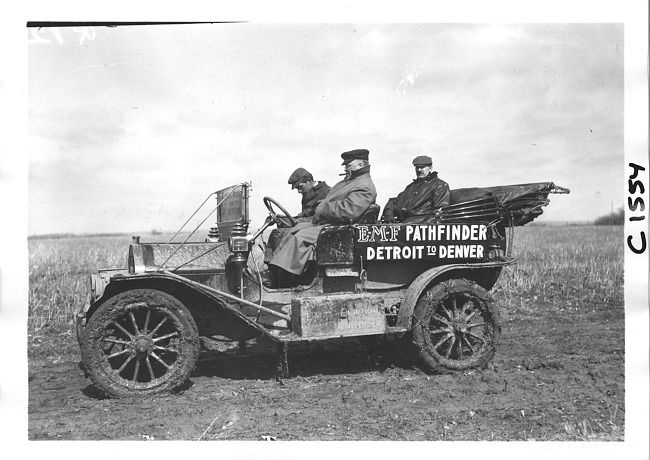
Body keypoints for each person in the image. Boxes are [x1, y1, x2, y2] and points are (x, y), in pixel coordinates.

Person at [264, 149, 377, 288]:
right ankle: (276, 271)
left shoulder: (364, 185)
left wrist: (323, 209)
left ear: (360, 165)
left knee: (301, 237)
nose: (345, 168)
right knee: (294, 230)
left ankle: (283, 277)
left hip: (340, 228)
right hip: (330, 224)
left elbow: (349, 211)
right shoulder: (351, 182)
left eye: (348, 165)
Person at [381, 155, 450, 223]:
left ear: (430, 168)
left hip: (421, 226)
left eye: (422, 167)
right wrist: (388, 209)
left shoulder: (440, 185)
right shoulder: (411, 187)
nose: (419, 170)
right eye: (417, 167)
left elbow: (440, 213)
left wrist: (410, 223)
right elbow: (395, 200)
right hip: (403, 224)